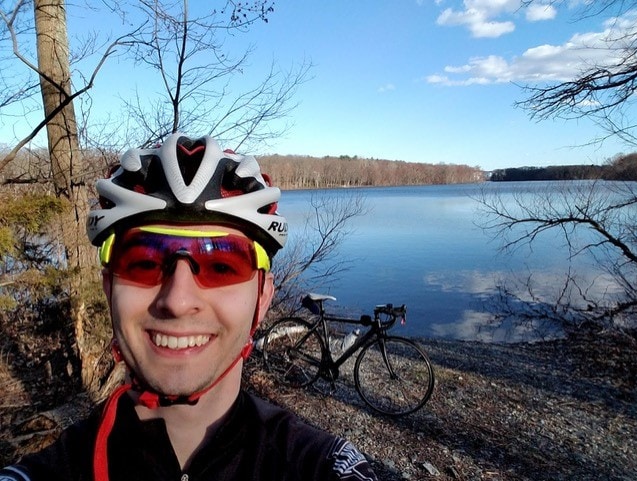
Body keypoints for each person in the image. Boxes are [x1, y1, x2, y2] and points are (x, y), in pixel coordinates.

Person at [0, 134, 378, 481]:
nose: (178, 301)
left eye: (222, 265)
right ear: (109, 287)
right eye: (144, 262)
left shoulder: (321, 467)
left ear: (262, 300)